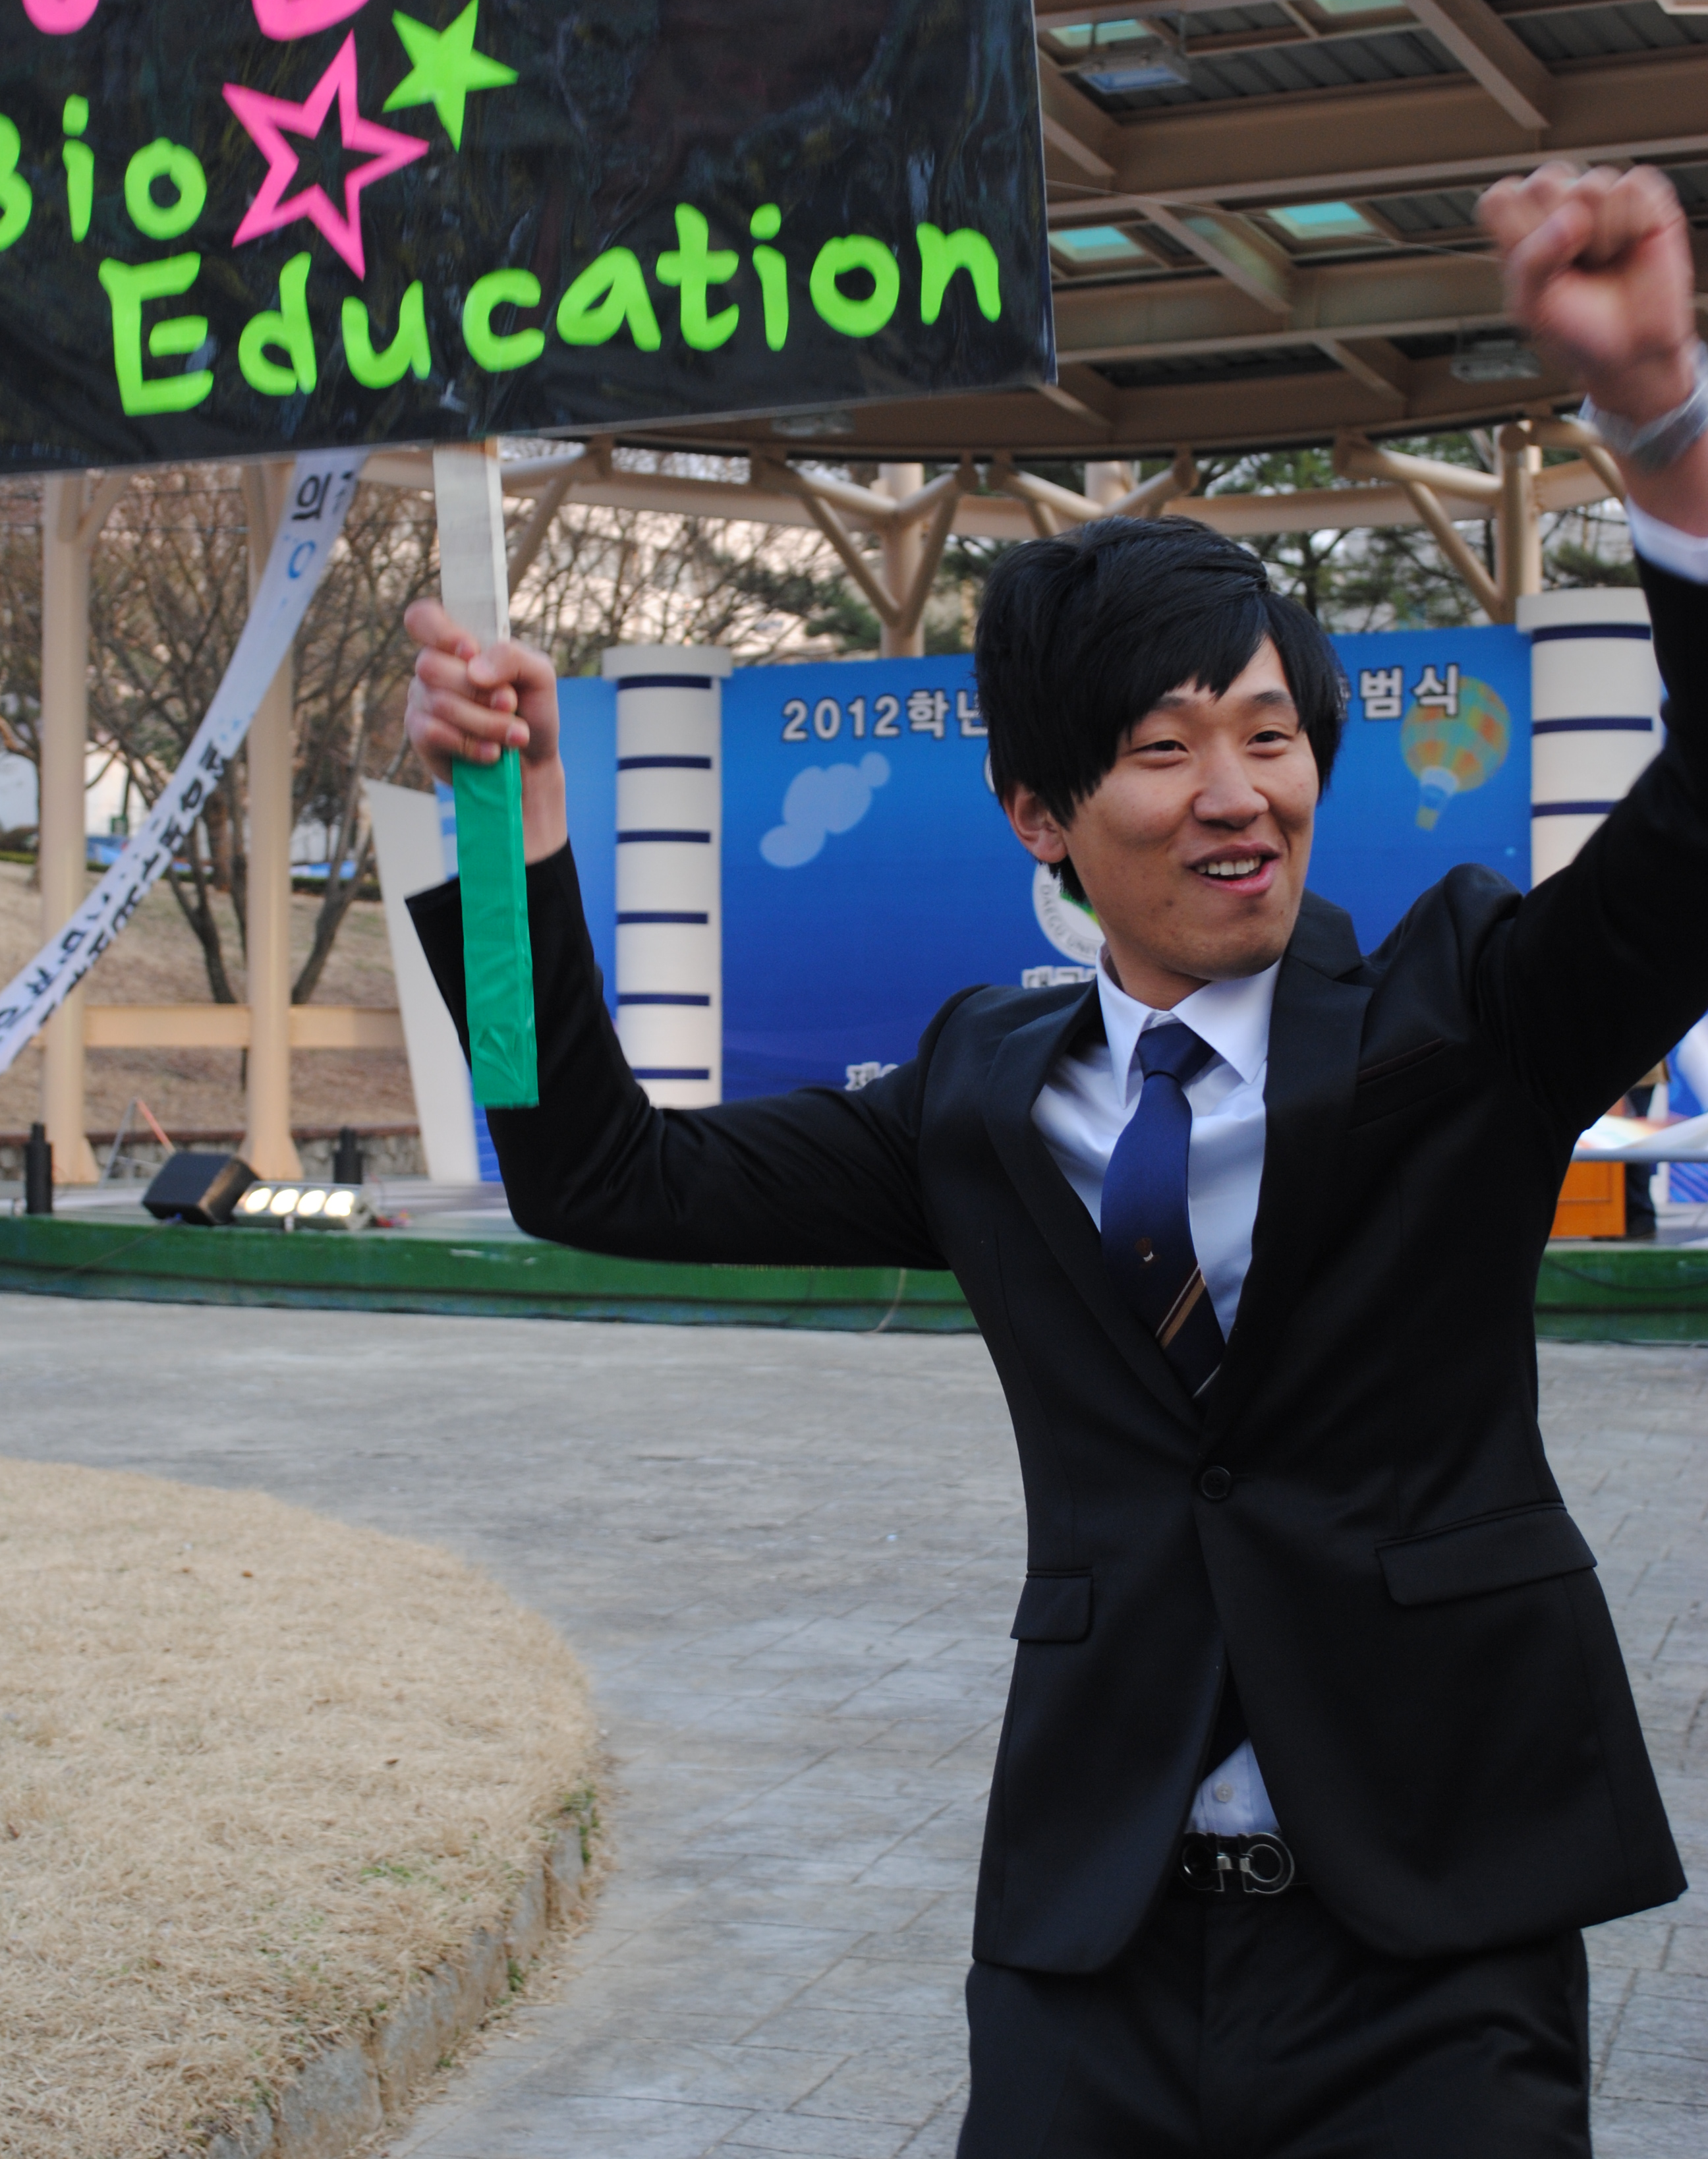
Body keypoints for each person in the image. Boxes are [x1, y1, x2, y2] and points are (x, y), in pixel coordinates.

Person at [403, 161, 1705, 2158]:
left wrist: (1664, 422)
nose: (1236, 794)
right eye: (1165, 749)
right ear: (1040, 812)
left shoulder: (1472, 1018)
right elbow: (598, 1181)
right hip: (1094, 1955)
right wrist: (510, 849)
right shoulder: (979, 1095)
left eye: (1270, 735)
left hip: (1440, 1950)